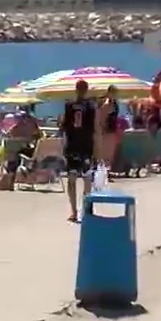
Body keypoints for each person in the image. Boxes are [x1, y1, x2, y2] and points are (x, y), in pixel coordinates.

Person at [60, 80, 97, 223]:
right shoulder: (90, 106)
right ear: (86, 90)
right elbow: (94, 128)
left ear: (75, 89)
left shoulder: (69, 105)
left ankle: (74, 211)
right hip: (85, 145)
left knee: (72, 179)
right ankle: (85, 210)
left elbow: (64, 127)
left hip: (73, 145)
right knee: (86, 178)